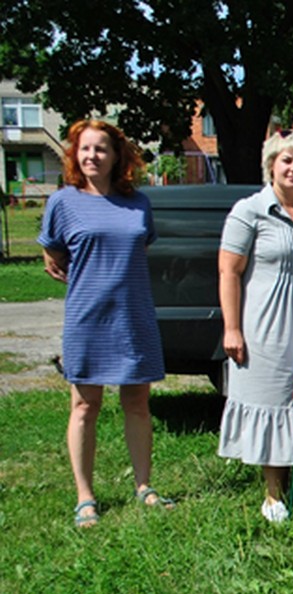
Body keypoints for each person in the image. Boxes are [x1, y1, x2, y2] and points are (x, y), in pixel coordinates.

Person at [39, 119, 174, 526]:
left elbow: (137, 245)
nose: (91, 156)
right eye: (84, 149)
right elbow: (54, 255)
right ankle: (85, 496)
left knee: (137, 403)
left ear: (117, 157)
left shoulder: (139, 203)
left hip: (133, 315)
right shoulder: (62, 202)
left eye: (101, 149)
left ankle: (144, 486)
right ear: (74, 156)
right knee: (84, 406)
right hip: (87, 317)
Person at [217, 130, 293, 523]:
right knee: (274, 399)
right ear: (271, 165)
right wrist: (232, 328)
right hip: (265, 324)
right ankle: (273, 493)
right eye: (287, 160)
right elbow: (229, 271)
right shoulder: (248, 211)